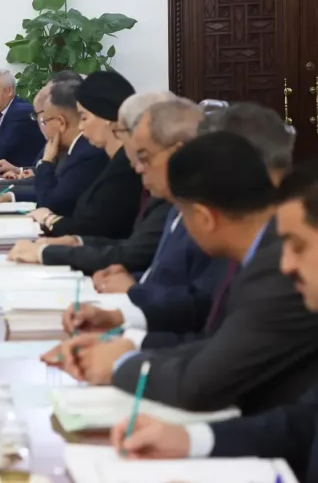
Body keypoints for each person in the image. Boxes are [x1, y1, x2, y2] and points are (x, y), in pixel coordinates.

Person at [51, 131, 318, 415]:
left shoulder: (275, 270)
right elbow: (218, 340)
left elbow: (199, 384)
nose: (288, 262)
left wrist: (119, 364)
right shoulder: (254, 251)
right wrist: (129, 341)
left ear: (204, 218)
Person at [109, 158, 318, 483]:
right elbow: (302, 424)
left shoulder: (270, 280)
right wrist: (190, 440)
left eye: (298, 246)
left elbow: (201, 380)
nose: (286, 265)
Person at [50, 102, 299, 349]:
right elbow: (206, 308)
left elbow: (223, 354)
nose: (137, 167)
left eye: (145, 156)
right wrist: (124, 321)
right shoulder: (250, 234)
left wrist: (127, 349)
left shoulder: (281, 255)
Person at [5, 91, 175, 273]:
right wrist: (75, 242)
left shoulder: (103, 160)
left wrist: (49, 246)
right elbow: (131, 245)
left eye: (84, 118)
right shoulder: (148, 182)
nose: (138, 166)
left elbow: (133, 252)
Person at [29, 70, 143, 239]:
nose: (81, 127)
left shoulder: (123, 167)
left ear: (105, 116)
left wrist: (49, 219)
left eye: (83, 118)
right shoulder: (114, 161)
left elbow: (90, 227)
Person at [0, 81, 107, 215]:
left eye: (45, 120)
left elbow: (51, 201)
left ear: (61, 122)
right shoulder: (74, 149)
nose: (42, 126)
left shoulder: (85, 153)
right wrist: (1, 191)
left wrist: (46, 161)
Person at [0, 70, 85, 178]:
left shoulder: (80, 152)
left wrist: (0, 189)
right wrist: (20, 171)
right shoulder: (61, 143)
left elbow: (52, 185)